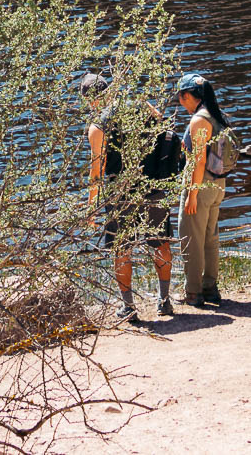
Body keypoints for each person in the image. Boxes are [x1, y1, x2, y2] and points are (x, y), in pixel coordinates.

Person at [82, 71, 176, 325]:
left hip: (120, 196)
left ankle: (128, 307)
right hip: (153, 187)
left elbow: (96, 171)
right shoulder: (143, 106)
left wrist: (91, 207)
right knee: (160, 242)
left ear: (90, 100)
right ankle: (165, 300)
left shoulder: (98, 127)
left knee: (122, 250)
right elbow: (165, 130)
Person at [177, 73, 230, 308]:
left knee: (191, 239)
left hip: (201, 186)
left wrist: (192, 194)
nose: (180, 103)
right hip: (218, 185)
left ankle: (193, 292)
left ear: (188, 95)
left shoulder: (199, 120)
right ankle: (210, 287)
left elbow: (198, 161)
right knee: (210, 239)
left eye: (180, 97)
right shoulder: (218, 116)